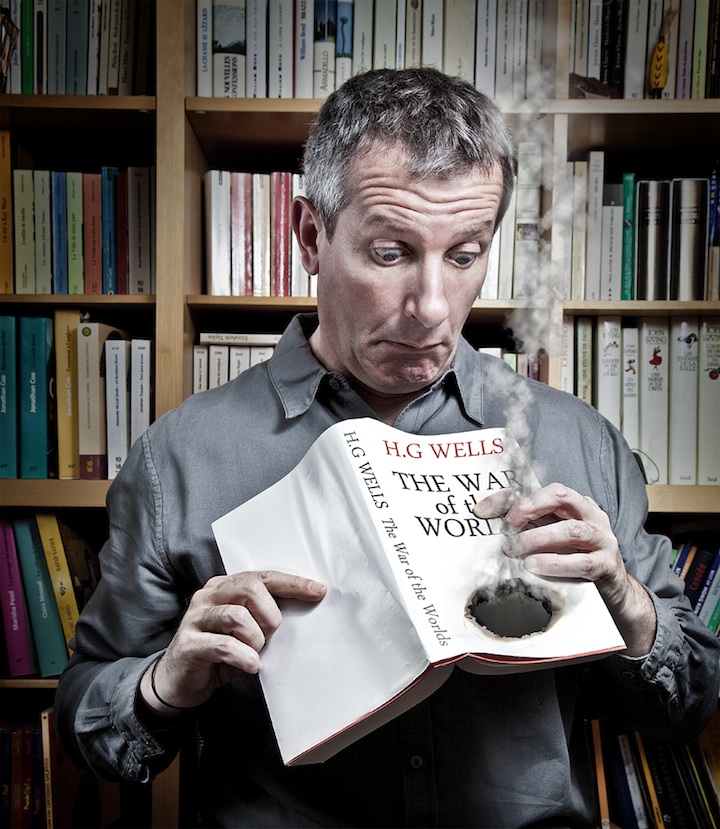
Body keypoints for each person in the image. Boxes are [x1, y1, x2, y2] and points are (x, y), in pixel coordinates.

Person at [55, 68, 719, 828]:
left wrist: (625, 601)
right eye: (391, 252)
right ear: (311, 236)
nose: (431, 307)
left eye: (464, 255)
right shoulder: (179, 458)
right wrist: (163, 684)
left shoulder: (578, 440)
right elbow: (86, 723)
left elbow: (690, 702)